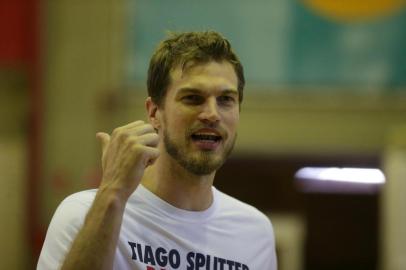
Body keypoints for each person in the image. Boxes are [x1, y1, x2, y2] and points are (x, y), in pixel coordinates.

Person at [37, 31, 277, 270]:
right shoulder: (82, 215)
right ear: (154, 113)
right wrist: (113, 194)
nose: (212, 114)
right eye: (193, 98)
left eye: (226, 99)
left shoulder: (256, 232)